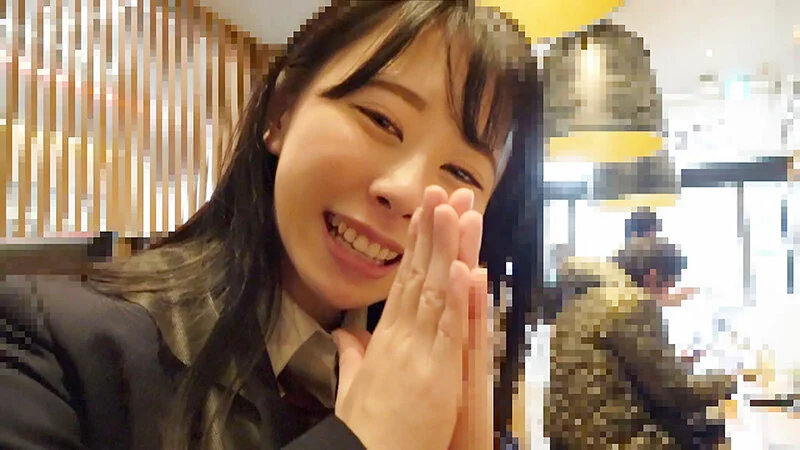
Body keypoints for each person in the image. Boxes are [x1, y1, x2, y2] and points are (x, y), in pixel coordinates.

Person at [0, 1, 540, 449]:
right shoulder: (53, 347)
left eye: (461, 173)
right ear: (281, 114)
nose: (404, 191)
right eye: (380, 119)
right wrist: (363, 439)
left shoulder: (455, 399)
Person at [546, 237, 736, 449]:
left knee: (703, 424)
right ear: (652, 276)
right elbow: (676, 391)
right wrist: (735, 382)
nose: (666, 296)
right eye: (668, 286)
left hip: (573, 438)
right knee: (721, 433)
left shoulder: (583, 299)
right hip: (617, 440)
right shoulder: (630, 302)